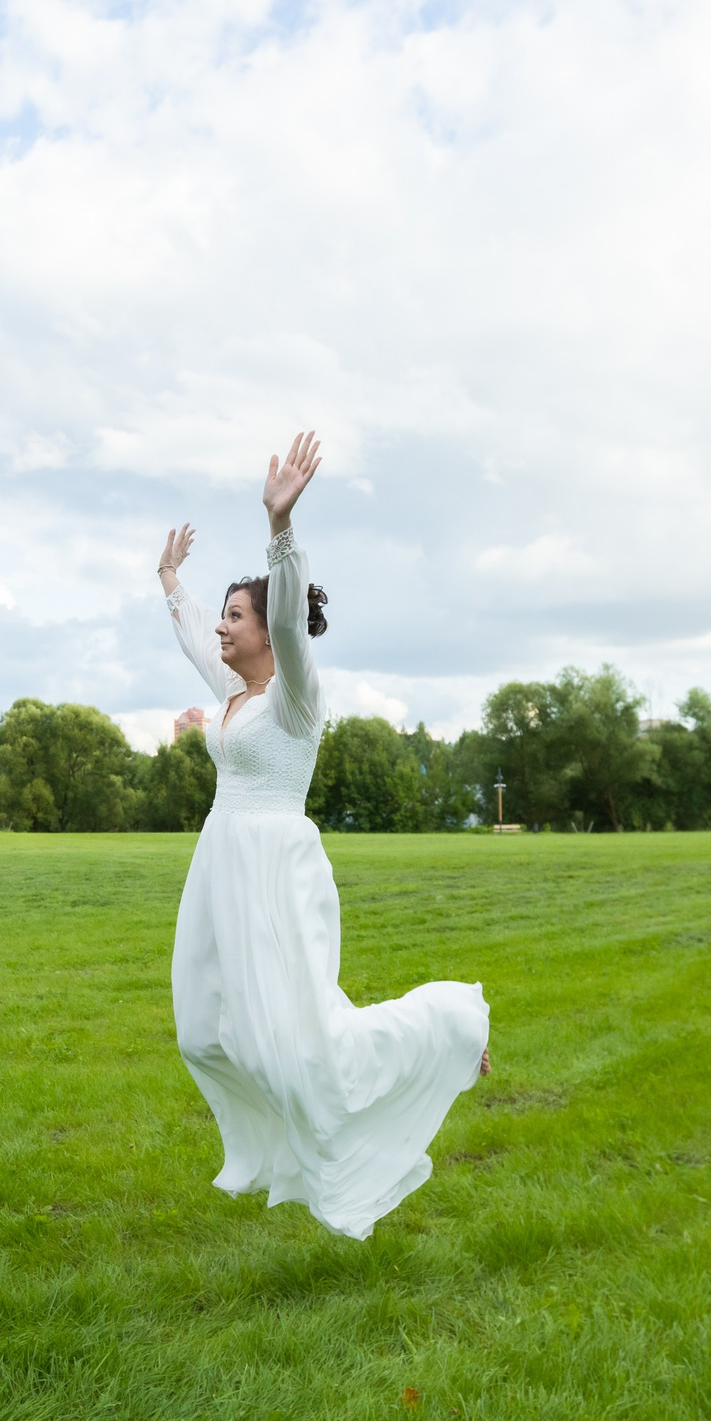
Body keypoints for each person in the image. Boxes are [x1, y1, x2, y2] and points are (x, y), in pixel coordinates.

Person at [157, 432, 491, 1239]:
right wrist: (170, 581)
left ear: (271, 628)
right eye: (224, 619)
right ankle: (260, 1155)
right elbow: (192, 629)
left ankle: (450, 1025)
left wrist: (280, 528)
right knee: (203, 1031)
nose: (222, 631)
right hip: (220, 868)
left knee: (304, 1049)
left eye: (236, 619)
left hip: (277, 871)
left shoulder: (295, 697)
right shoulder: (233, 693)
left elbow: (293, 637)